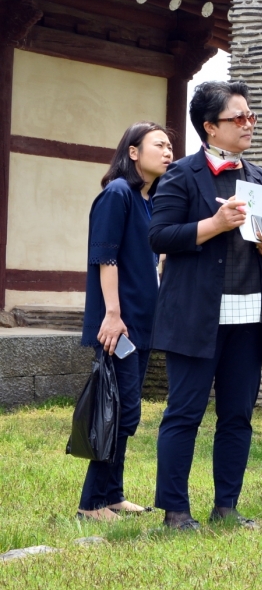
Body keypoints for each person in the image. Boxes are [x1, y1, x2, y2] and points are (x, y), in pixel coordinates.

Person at [149, 80, 262, 531]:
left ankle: (226, 506)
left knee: (237, 417)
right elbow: (159, 236)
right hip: (194, 318)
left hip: (248, 320)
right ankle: (175, 512)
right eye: (238, 118)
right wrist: (212, 224)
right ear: (210, 127)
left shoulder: (260, 178)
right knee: (184, 415)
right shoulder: (180, 175)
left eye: (251, 117)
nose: (249, 125)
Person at [75, 122, 174, 522]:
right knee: (116, 411)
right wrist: (112, 315)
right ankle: (91, 504)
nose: (168, 152)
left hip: (141, 323)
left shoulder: (148, 201)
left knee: (126, 411)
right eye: (159, 145)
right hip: (119, 325)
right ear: (133, 152)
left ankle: (112, 495)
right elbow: (105, 257)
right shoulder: (116, 194)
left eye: (170, 146)